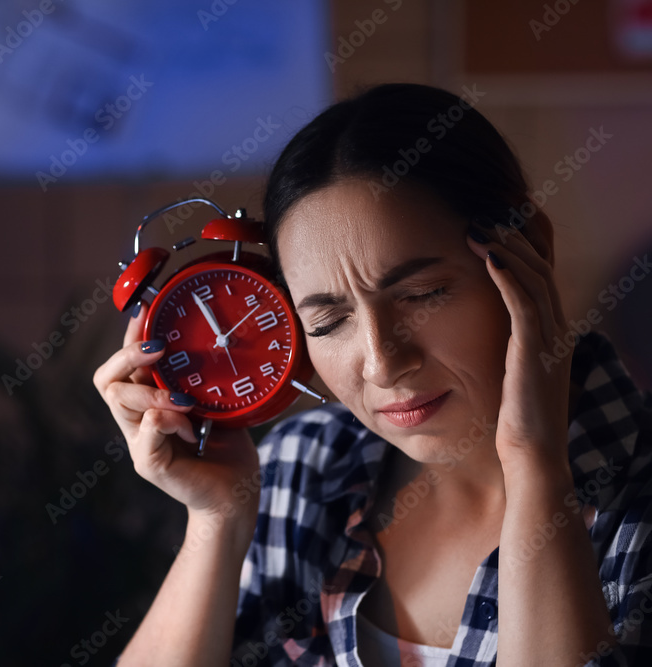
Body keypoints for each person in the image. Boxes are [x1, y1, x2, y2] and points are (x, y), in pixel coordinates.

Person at [92, 82, 652, 666]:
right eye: (330, 321)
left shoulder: (635, 499)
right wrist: (218, 520)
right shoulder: (302, 471)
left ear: (528, 248)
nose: (383, 363)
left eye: (422, 294)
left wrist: (535, 466)